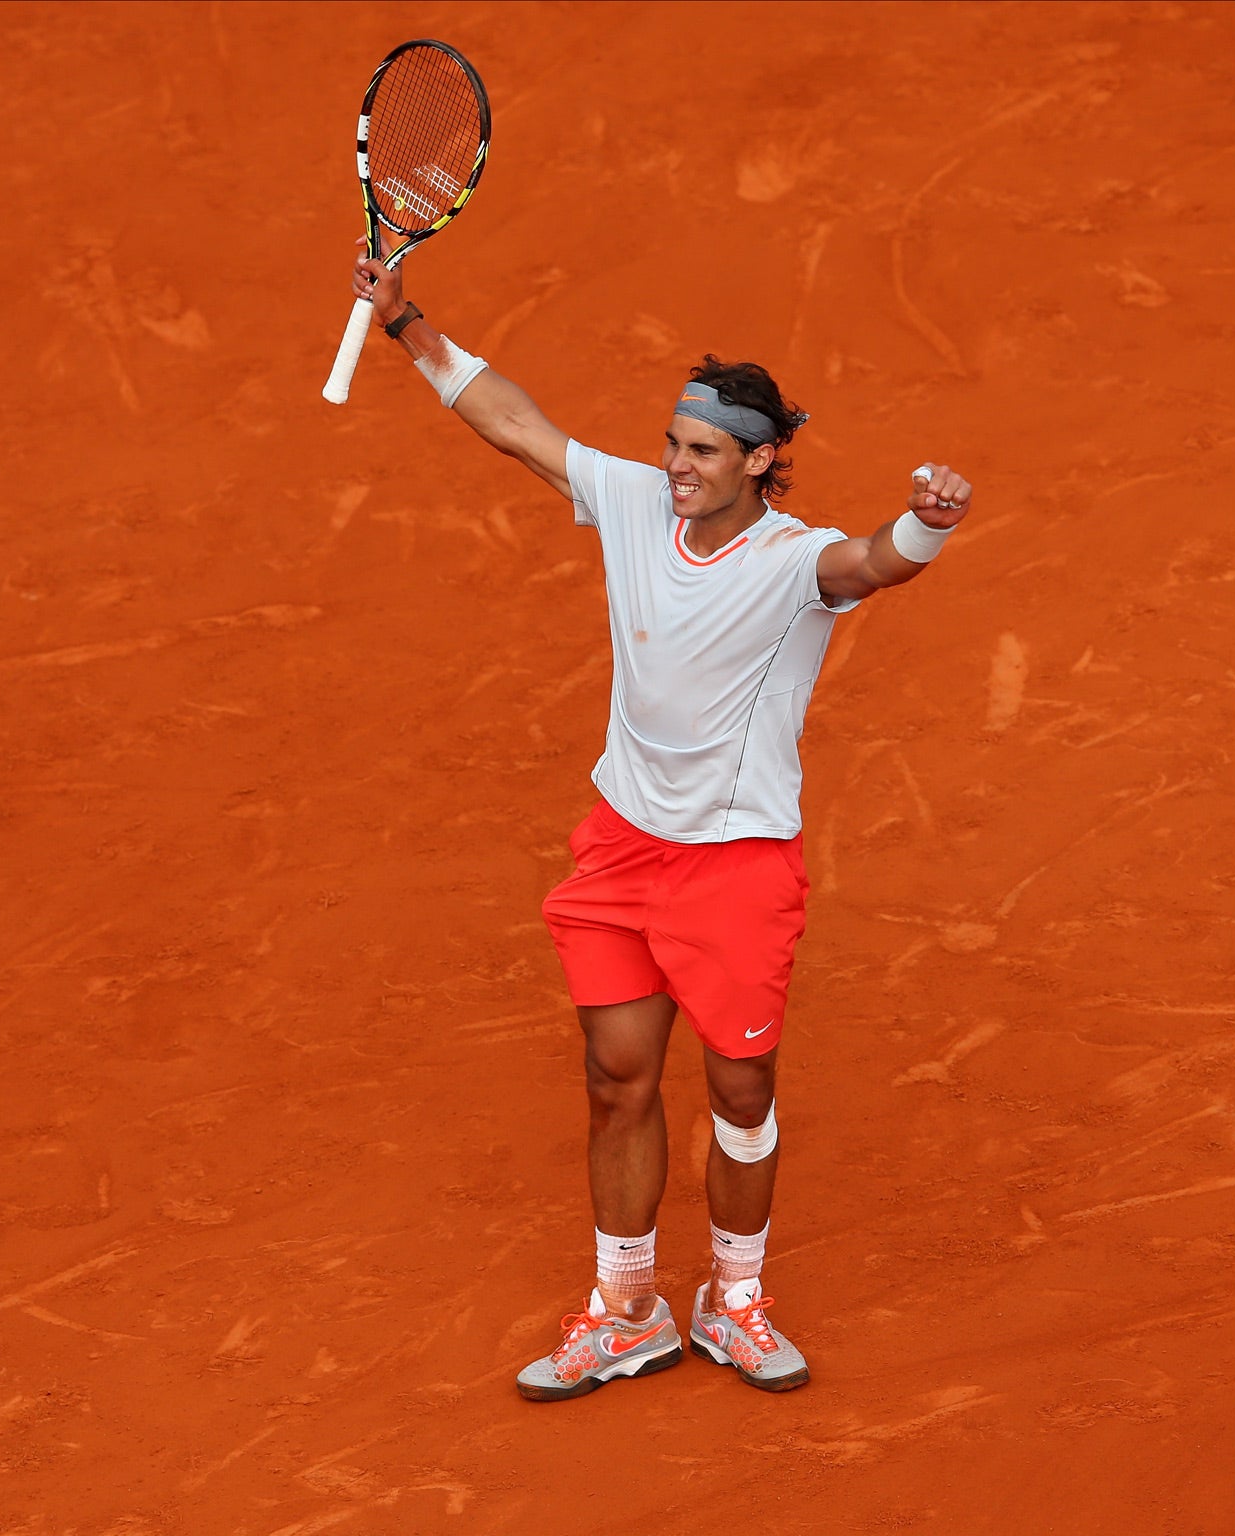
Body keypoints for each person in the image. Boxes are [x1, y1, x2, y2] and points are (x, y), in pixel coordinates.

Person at [349, 246, 972, 1401]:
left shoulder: (792, 565)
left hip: (734, 867)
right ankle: (626, 1308)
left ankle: (733, 1300)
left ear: (759, 462)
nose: (675, 467)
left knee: (738, 1094)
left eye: (700, 452)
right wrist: (407, 325)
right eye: (673, 445)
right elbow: (518, 425)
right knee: (614, 1074)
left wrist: (924, 522)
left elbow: (875, 562)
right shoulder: (637, 501)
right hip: (621, 849)